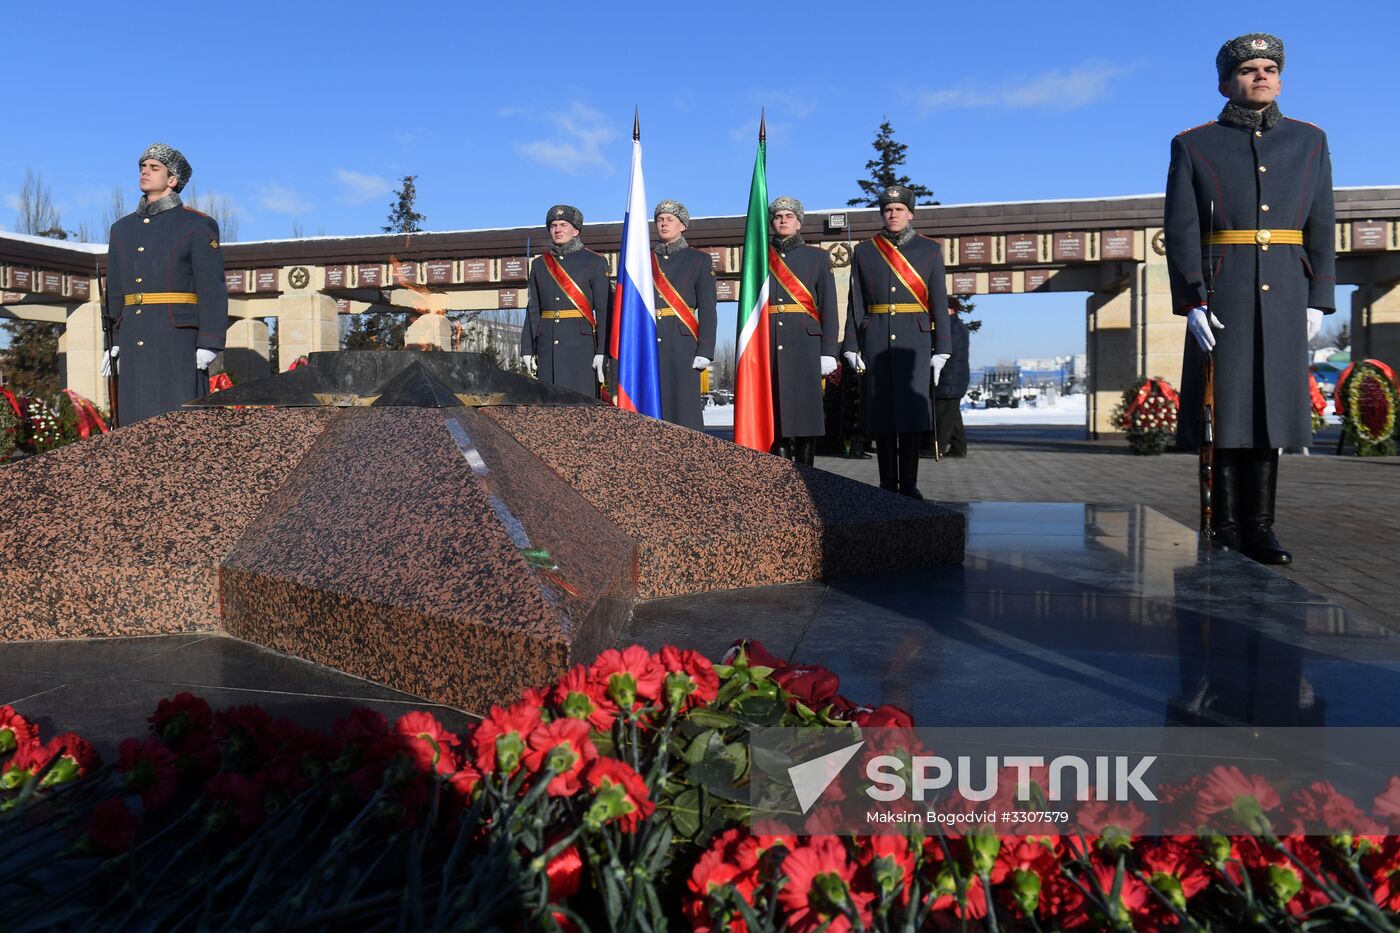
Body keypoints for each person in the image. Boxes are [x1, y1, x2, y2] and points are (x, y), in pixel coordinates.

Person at [1166, 33, 1335, 565]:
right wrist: (1192, 300)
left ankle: (1261, 528)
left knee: (1272, 412)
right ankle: (1224, 525)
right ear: (1225, 82)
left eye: (1269, 68)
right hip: (1225, 291)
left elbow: (1321, 223)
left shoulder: (1309, 141)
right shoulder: (1194, 144)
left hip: (1287, 287)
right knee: (1228, 410)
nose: (1260, 75)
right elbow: (1182, 228)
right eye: (1247, 69)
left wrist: (1319, 298)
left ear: (1280, 78)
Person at [102, 143, 227, 424]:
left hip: (177, 338)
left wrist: (210, 341)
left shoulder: (196, 225)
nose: (145, 172)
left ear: (172, 179)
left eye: (154, 167)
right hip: (134, 334)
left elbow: (212, 287)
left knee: (178, 417)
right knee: (134, 418)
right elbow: (117, 289)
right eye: (142, 167)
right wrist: (114, 341)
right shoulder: (121, 229)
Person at [842, 185, 951, 498]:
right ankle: (887, 483)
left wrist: (942, 348)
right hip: (876, 336)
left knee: (912, 415)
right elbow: (856, 301)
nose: (893, 214)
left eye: (899, 210)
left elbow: (939, 301)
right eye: (888, 210)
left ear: (910, 214)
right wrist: (851, 343)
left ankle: (910, 483)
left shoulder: (929, 250)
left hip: (914, 338)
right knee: (883, 414)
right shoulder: (864, 251)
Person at [766, 196, 838, 465]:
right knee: (776, 411)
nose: (783, 220)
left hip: (806, 343)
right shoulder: (762, 258)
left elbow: (829, 306)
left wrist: (829, 350)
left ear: (799, 223)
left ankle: (808, 473)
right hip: (770, 341)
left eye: (789, 216)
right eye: (778, 217)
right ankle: (780, 468)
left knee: (805, 412)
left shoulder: (817, 257)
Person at [520, 205, 612, 397]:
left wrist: (603, 352)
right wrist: (527, 349)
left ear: (576, 230)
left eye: (563, 225)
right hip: (547, 348)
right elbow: (533, 310)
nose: (558, 229)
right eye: (553, 225)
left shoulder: (595, 262)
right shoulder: (539, 265)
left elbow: (604, 312)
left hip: (581, 349)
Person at [651, 200, 716, 429]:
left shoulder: (698, 260)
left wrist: (706, 350)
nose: (664, 224)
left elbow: (708, 309)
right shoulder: (644, 260)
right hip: (649, 341)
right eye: (660, 220)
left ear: (682, 226)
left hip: (683, 343)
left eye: (670, 219)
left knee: (684, 410)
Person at [933, 299, 970, 457]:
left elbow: (947, 349)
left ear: (952, 310)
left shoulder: (951, 327)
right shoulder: (955, 325)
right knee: (953, 416)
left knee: (943, 417)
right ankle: (958, 448)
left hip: (949, 379)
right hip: (953, 379)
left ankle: (937, 448)